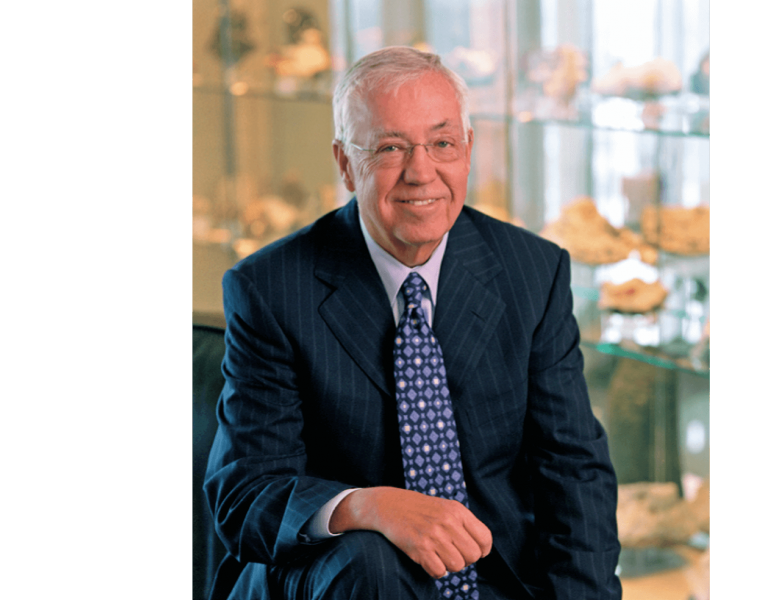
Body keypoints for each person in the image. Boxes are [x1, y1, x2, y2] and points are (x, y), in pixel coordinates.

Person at [205, 46, 622, 600]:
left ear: (468, 150)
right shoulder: (271, 289)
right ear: (345, 164)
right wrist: (370, 506)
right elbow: (245, 497)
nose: (421, 172)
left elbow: (573, 472)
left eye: (442, 143)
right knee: (371, 559)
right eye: (390, 148)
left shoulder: (532, 272)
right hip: (335, 578)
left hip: (490, 579)